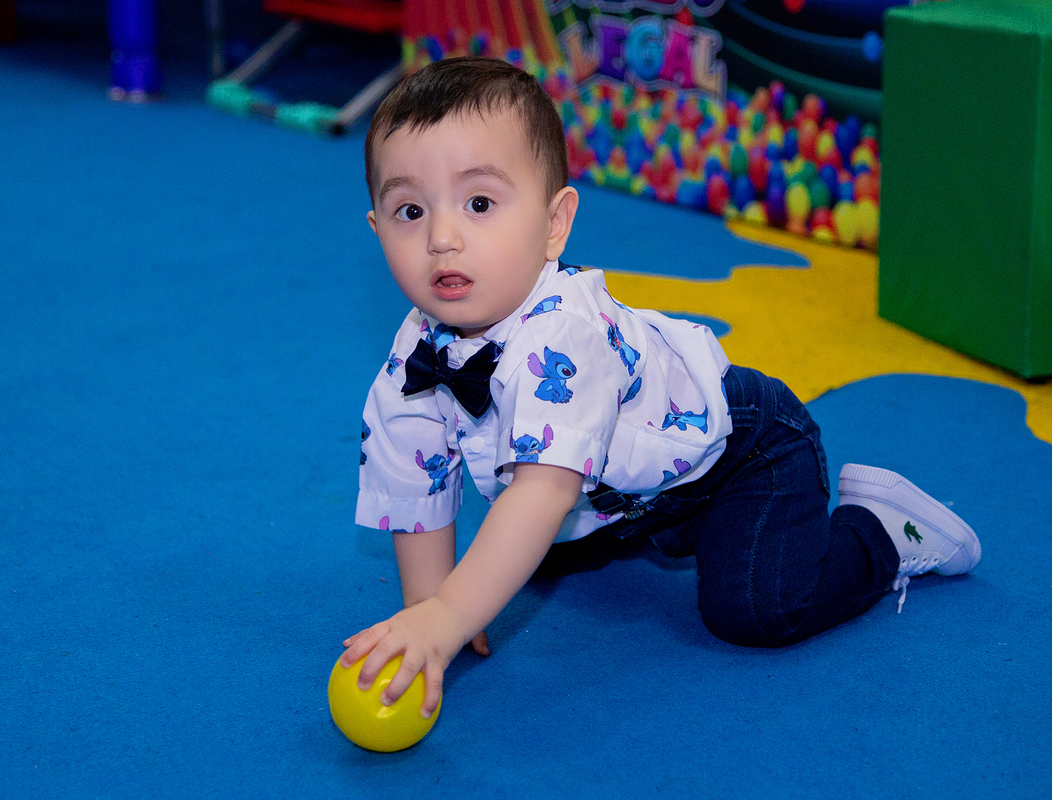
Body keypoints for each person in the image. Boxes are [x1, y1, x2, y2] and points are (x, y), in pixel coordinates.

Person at [341, 57, 981, 719]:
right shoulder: (411, 362)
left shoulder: (563, 334)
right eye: (410, 210)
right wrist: (428, 612)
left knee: (756, 611)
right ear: (377, 229)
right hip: (625, 491)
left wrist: (449, 614)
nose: (443, 238)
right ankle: (655, 534)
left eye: (479, 204)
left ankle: (880, 531)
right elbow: (417, 484)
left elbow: (543, 491)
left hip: (741, 452)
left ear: (555, 224)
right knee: (520, 560)